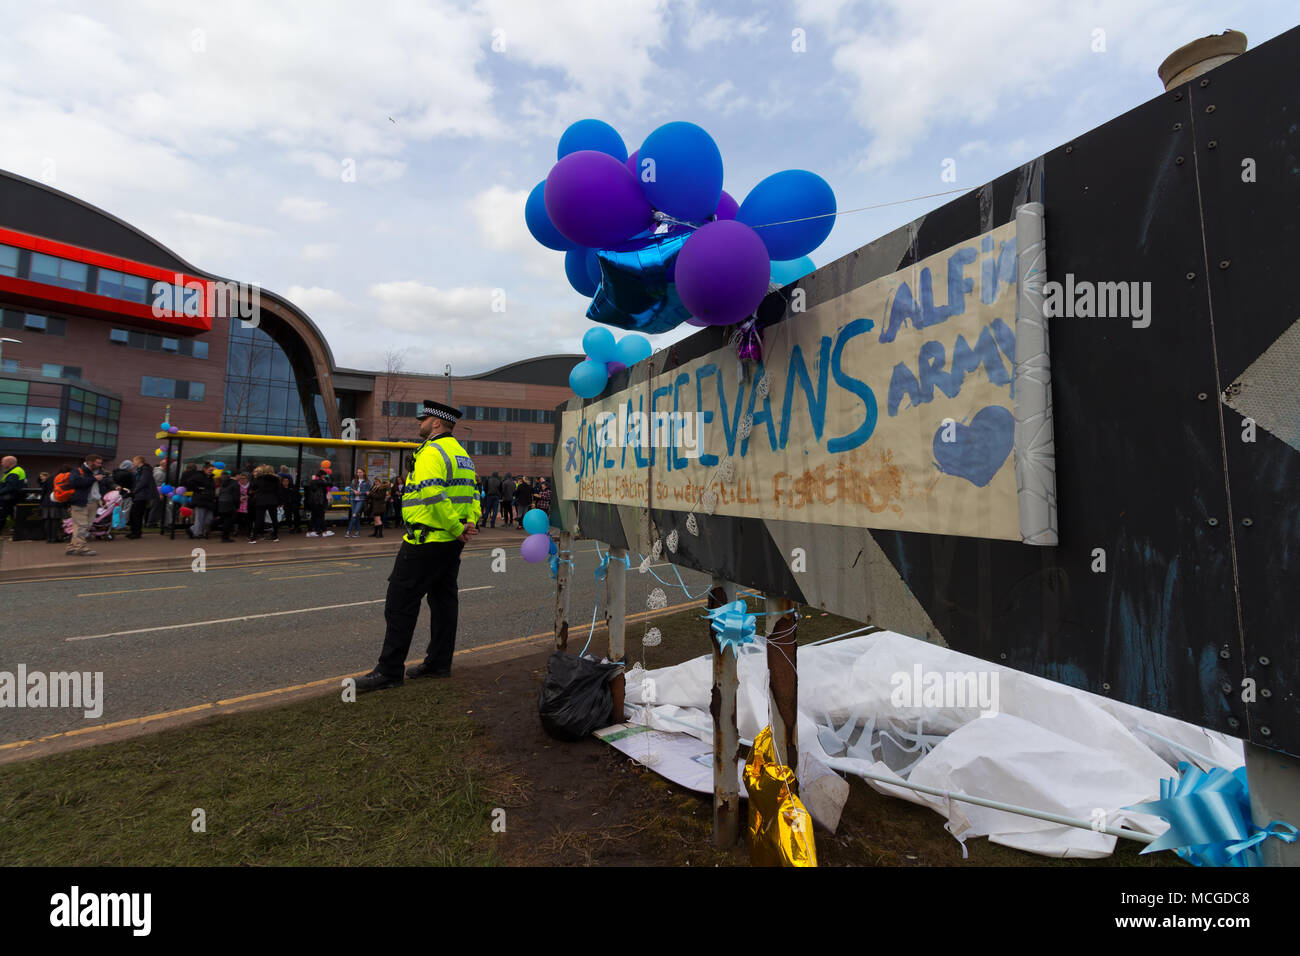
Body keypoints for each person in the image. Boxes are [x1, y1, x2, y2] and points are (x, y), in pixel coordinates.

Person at [355, 399, 480, 692]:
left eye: (422, 420)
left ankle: (388, 671)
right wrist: (466, 524)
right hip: (450, 542)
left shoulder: (431, 451)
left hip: (427, 539)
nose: (419, 424)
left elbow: (432, 494)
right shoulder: (462, 454)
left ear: (436, 423)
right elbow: (474, 492)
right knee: (443, 602)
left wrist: (455, 526)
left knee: (399, 603)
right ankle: (438, 663)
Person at [66, 453, 112, 556]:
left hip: (93, 502)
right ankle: (81, 548)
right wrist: (94, 478)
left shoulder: (98, 472)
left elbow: (101, 487)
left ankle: (72, 547)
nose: (100, 465)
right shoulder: (78, 471)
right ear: (90, 462)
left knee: (85, 526)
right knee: (81, 526)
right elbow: (74, 483)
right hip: (80, 503)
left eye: (101, 463)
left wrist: (102, 498)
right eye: (98, 463)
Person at [127, 455, 159, 539]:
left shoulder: (145, 470)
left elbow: (142, 482)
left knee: (137, 514)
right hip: (140, 494)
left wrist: (134, 491)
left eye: (134, 460)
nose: (133, 462)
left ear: (139, 461)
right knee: (135, 514)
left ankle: (136, 532)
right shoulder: (141, 470)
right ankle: (134, 531)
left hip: (142, 495)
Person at [249, 464, 281, 542]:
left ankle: (253, 538)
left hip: (261, 500)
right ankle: (275, 536)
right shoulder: (276, 479)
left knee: (259, 519)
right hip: (272, 500)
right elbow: (278, 491)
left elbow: (253, 487)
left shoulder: (259, 478)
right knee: (274, 519)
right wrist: (279, 501)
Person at [40, 467, 70, 543]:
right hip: (56, 501)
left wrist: (41, 502)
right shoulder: (63, 479)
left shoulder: (49, 478)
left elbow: (43, 490)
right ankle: (54, 538)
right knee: (55, 520)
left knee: (47, 520)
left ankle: (48, 538)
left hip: (46, 501)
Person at [188, 463, 215, 539]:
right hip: (200, 500)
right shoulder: (199, 476)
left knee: (208, 519)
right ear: (205, 469)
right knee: (200, 517)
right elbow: (190, 482)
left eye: (212, 470)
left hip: (208, 501)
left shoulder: (210, 478)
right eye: (210, 470)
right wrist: (199, 489)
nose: (211, 471)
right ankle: (197, 533)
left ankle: (192, 529)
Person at [0, 455, 26, 533]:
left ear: (9, 463)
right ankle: (17, 531)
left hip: (9, 498)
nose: (1, 463)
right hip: (12, 498)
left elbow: (10, 487)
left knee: (2, 515)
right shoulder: (15, 470)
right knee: (12, 516)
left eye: (2, 462)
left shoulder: (14, 472)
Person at [303, 470, 331, 537]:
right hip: (319, 502)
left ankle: (309, 532)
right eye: (324, 475)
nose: (325, 476)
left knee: (314, 516)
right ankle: (325, 532)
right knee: (321, 516)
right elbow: (330, 484)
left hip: (312, 502)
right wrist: (327, 479)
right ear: (322, 475)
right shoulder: (321, 481)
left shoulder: (312, 482)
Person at [345, 467, 370, 538]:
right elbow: (350, 490)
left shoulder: (367, 482)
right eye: (358, 472)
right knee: (356, 516)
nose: (359, 474)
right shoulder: (353, 481)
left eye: (360, 472)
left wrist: (360, 493)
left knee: (354, 515)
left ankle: (348, 531)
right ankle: (357, 532)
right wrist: (353, 491)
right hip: (353, 499)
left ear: (364, 473)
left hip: (361, 500)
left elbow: (368, 492)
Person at [215, 471, 240, 542]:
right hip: (230, 503)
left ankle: (211, 525)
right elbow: (236, 496)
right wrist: (237, 505)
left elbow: (219, 494)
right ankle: (225, 537)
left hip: (221, 503)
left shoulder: (222, 484)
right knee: (228, 521)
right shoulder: (235, 484)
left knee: (223, 519)